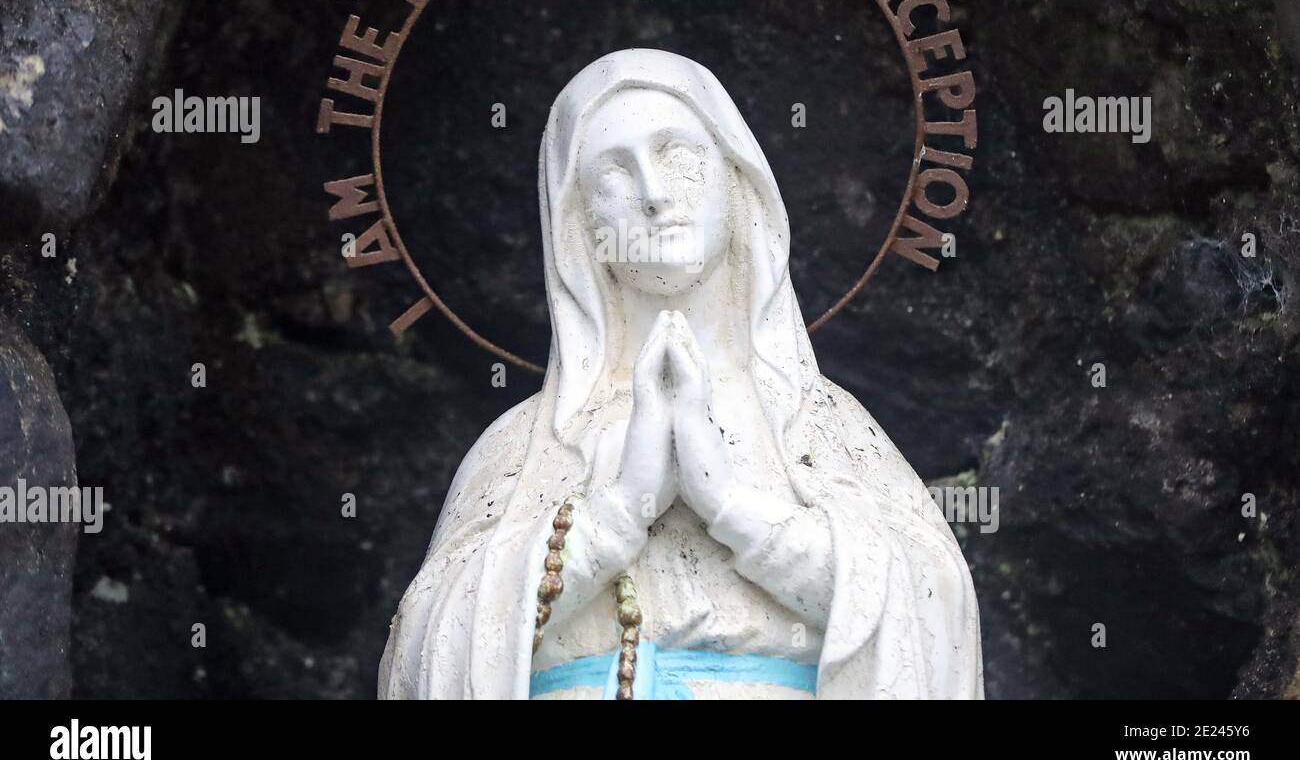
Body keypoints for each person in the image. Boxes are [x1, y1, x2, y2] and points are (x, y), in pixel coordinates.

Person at [379, 49, 983, 699]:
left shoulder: (826, 425)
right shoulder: (525, 447)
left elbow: (933, 610)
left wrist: (731, 506)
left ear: (735, 179)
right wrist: (611, 516)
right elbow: (422, 655)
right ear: (578, 220)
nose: (654, 194)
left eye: (678, 154)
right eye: (612, 172)